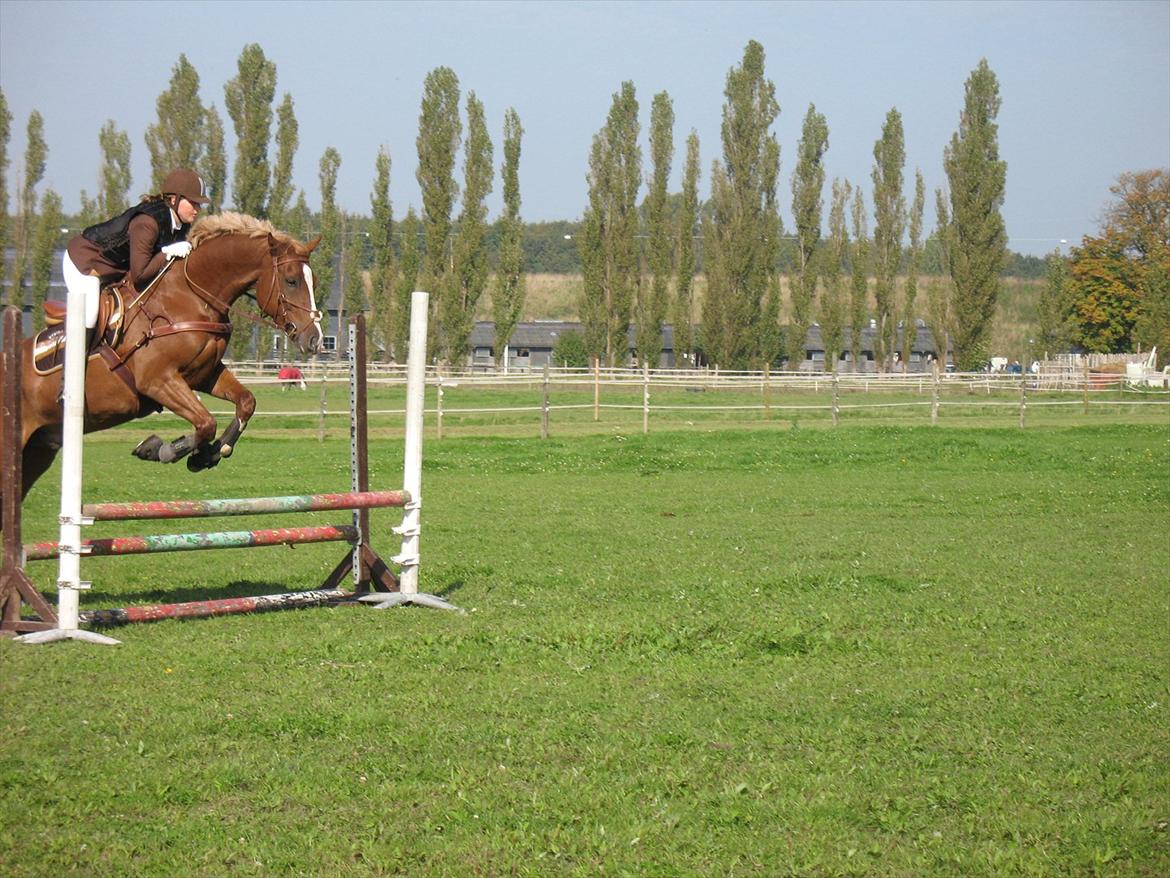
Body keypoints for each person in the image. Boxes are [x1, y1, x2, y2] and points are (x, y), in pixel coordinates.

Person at [62, 168, 210, 338]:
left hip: (114, 270)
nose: (198, 209)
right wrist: (166, 253)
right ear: (174, 200)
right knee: (91, 314)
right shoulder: (148, 223)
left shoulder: (180, 224)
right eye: (194, 202)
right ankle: (77, 362)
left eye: (199, 204)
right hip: (84, 263)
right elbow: (140, 276)